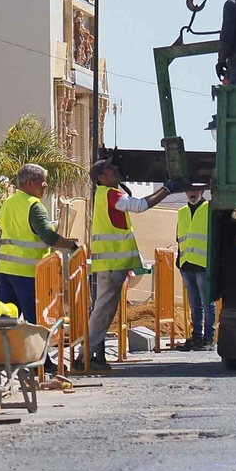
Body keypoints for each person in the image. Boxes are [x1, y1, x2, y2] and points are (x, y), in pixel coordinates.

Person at [83, 158, 171, 369]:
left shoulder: (105, 194)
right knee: (102, 312)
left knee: (102, 311)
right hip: (113, 264)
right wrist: (167, 190)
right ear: (102, 178)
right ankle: (87, 356)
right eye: (110, 168)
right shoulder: (111, 194)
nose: (116, 169)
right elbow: (139, 206)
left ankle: (89, 355)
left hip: (111, 264)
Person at [0, 163, 78, 325]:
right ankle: (39, 351)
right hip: (29, 274)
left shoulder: (8, 203)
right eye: (42, 181)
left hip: (5, 271)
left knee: (3, 323)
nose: (45, 185)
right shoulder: (34, 206)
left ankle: (4, 351)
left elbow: (17, 230)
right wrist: (71, 246)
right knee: (36, 322)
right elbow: (48, 236)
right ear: (30, 183)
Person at [175, 184, 216, 351]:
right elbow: (180, 238)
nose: (192, 193)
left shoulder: (209, 208)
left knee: (207, 303)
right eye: (189, 190)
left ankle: (208, 339)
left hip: (203, 264)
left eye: (195, 190)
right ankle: (196, 337)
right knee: (195, 305)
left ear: (202, 191)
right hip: (187, 264)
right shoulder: (182, 212)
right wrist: (180, 262)